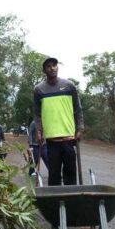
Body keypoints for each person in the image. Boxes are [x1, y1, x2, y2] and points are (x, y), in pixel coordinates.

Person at [33, 57, 84, 186]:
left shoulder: (69, 85)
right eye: (49, 66)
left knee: (70, 174)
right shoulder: (39, 89)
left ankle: (71, 202)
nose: (52, 68)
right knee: (54, 175)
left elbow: (77, 109)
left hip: (69, 138)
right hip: (52, 140)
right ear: (44, 70)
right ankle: (55, 204)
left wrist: (80, 128)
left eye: (54, 65)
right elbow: (37, 114)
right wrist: (38, 131)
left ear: (57, 67)